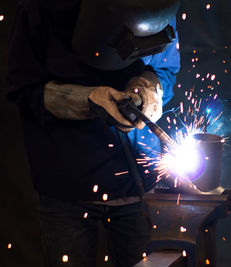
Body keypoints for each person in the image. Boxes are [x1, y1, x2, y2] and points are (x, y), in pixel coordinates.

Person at [6, 0, 180, 266]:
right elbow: (24, 89)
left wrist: (148, 88)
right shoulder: (39, 10)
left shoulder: (154, 5)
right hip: (66, 187)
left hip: (138, 186)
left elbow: (166, 68)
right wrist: (84, 99)